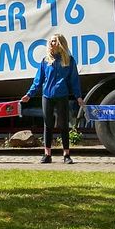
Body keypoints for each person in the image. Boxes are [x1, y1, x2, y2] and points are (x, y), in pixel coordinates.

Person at [21, 34, 83, 164]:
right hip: (47, 96)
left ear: (60, 43)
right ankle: (47, 154)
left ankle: (66, 155)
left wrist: (78, 97)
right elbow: (38, 81)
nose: (51, 43)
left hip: (62, 95)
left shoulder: (69, 61)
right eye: (50, 41)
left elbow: (74, 80)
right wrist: (29, 94)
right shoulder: (45, 61)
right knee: (47, 125)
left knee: (63, 125)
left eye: (54, 41)